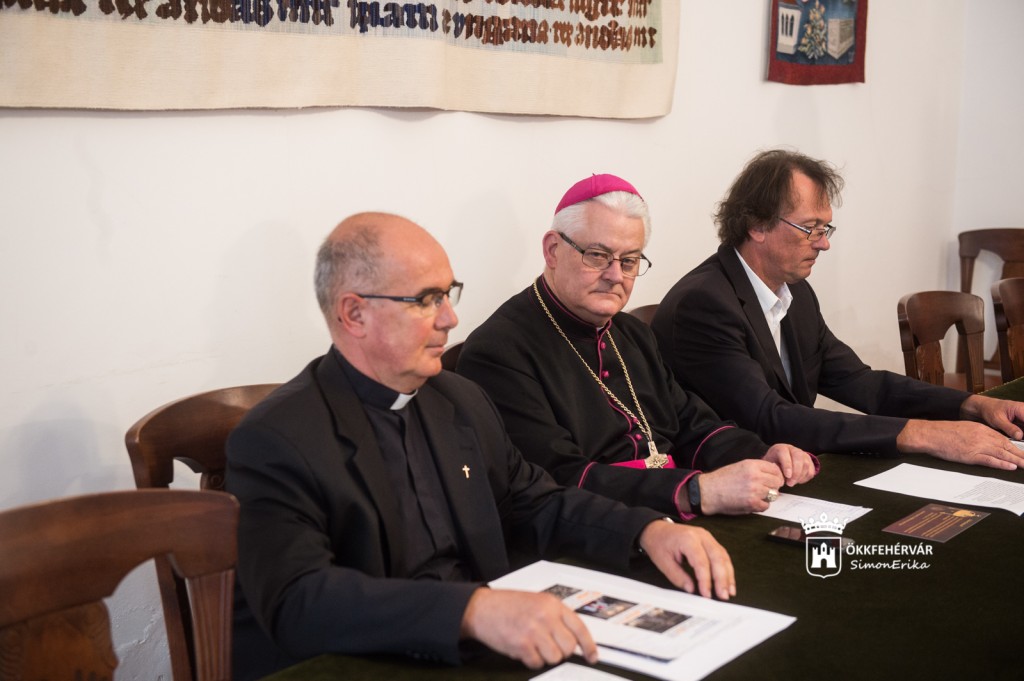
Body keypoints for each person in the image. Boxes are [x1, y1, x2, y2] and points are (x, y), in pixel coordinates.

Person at [225, 211, 736, 681]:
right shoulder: (277, 437)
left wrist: (646, 530)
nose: (450, 319)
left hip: (482, 648)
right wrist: (470, 611)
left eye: (449, 294)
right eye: (427, 300)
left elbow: (535, 500)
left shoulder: (459, 399)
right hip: (368, 660)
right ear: (354, 314)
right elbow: (299, 600)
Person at [456, 175, 817, 524]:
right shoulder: (498, 351)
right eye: (597, 255)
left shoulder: (632, 334)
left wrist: (761, 454)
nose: (615, 275)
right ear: (553, 250)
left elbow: (693, 425)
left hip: (673, 512)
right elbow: (556, 479)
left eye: (629, 261)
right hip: (596, 533)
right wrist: (694, 491)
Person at [653, 148, 1024, 470]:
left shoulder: (796, 292)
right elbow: (768, 418)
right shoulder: (703, 305)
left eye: (824, 228)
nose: (823, 244)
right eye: (810, 228)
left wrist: (971, 406)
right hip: (728, 480)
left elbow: (860, 382)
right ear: (756, 225)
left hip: (790, 466)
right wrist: (924, 434)